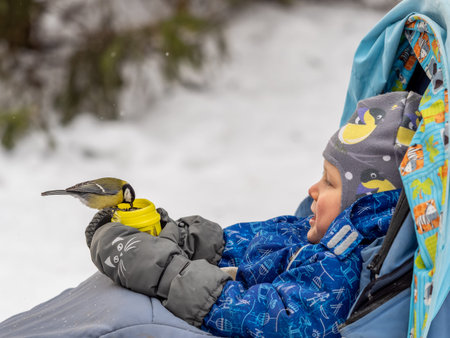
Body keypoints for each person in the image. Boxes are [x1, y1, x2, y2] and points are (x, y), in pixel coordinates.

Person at [86, 91, 422, 337]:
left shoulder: (340, 274)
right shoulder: (315, 232)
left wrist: (171, 275)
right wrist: (173, 236)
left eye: (329, 182)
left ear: (362, 203)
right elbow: (253, 245)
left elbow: (274, 320)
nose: (313, 190)